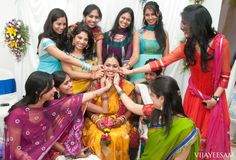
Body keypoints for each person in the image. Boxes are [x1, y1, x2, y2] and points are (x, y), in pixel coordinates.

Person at [123, 4, 231, 158]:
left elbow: (225, 77)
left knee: (209, 142)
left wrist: (215, 98)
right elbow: (162, 62)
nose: (181, 27)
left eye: (185, 23)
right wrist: (132, 71)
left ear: (196, 23)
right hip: (193, 98)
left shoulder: (221, 44)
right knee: (187, 137)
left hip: (213, 99)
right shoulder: (188, 45)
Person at [4, 71, 112, 159]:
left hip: (46, 155)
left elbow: (50, 140)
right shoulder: (17, 115)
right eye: (51, 87)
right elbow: (15, 151)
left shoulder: (49, 107)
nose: (55, 90)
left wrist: (73, 155)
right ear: (38, 92)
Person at [113, 75, 200, 160]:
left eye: (152, 95)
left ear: (162, 99)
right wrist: (117, 86)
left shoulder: (185, 127)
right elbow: (132, 106)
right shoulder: (154, 110)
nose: (150, 97)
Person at [82, 54, 138, 160]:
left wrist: (121, 120)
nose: (111, 69)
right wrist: (96, 120)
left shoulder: (127, 86)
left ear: (120, 68)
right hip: (96, 120)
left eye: (115, 66)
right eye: (108, 65)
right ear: (103, 66)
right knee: (97, 137)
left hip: (119, 120)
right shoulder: (94, 84)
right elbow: (88, 107)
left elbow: (130, 108)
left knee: (118, 136)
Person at [48, 71, 112, 160]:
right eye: (66, 83)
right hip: (59, 152)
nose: (70, 84)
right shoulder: (54, 106)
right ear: (57, 89)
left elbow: (104, 110)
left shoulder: (78, 101)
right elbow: (50, 139)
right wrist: (106, 87)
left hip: (77, 149)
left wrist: (104, 90)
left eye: (70, 81)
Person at [37, 8, 99, 74]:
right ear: (51, 23)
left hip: (58, 79)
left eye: (64, 24)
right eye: (58, 24)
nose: (62, 27)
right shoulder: (46, 41)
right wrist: (90, 67)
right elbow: (66, 58)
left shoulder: (62, 38)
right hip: (44, 78)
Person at [129, 1, 169, 83]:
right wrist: (127, 66)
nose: (150, 18)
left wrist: (161, 72)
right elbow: (135, 55)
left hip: (156, 72)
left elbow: (166, 57)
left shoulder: (164, 33)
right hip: (140, 70)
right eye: (147, 15)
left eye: (153, 14)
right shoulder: (138, 33)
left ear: (158, 14)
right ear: (144, 16)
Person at [62, 24, 104, 94]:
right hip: (73, 93)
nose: (82, 42)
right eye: (79, 38)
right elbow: (70, 74)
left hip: (92, 93)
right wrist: (92, 76)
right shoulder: (66, 55)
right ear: (74, 38)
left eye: (85, 39)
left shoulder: (91, 57)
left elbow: (98, 74)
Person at [134, 58, 162, 158]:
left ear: (159, 75)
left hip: (159, 125)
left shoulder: (164, 90)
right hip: (144, 123)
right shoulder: (143, 87)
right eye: (146, 74)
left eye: (151, 74)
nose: (148, 77)